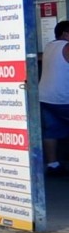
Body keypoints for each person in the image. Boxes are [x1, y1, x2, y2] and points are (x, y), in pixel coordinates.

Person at [40, 20, 69, 176]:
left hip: (46, 97)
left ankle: (53, 165)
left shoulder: (49, 46)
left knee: (51, 131)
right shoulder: (66, 46)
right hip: (62, 99)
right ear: (65, 34)